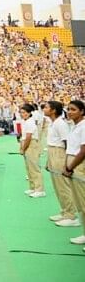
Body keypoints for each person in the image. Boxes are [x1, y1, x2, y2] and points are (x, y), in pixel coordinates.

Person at [44, 100, 79, 227]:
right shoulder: (53, 123)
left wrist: (66, 163)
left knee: (64, 186)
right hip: (53, 152)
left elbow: (66, 143)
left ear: (53, 110)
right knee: (57, 186)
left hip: (60, 154)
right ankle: (64, 211)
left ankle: (71, 215)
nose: (44, 109)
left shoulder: (60, 124)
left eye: (47, 107)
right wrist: (49, 160)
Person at [62, 100, 85, 248]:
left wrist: (70, 167)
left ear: (82, 111)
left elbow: (83, 151)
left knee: (84, 202)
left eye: (74, 110)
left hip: (79, 165)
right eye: (68, 109)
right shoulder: (74, 126)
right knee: (80, 203)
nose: (70, 112)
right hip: (72, 162)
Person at [19, 103, 45, 198]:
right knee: (29, 168)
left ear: (29, 113)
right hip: (27, 143)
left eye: (25, 112)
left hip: (31, 145)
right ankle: (33, 187)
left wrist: (23, 148)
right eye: (21, 112)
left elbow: (29, 137)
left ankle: (39, 189)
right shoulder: (25, 121)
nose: (23, 114)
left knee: (34, 168)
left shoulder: (30, 122)